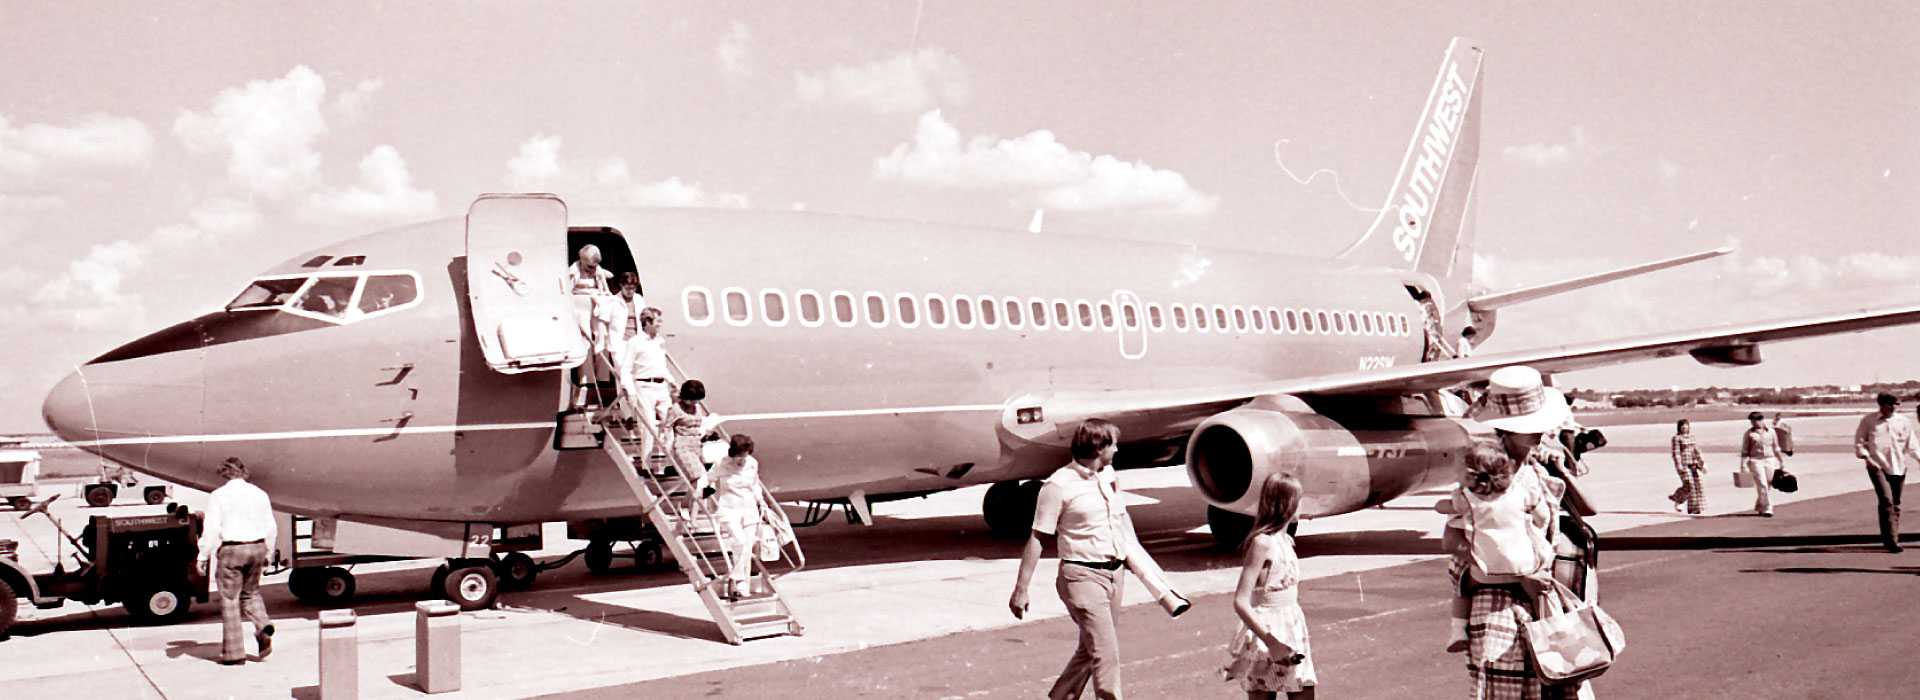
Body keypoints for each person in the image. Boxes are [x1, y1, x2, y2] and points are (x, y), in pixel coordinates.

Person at [1010, 419, 1135, 700]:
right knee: (1106, 653)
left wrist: (1137, 560)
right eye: (1112, 445)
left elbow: (1120, 520)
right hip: (1081, 577)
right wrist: (1021, 588)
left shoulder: (1108, 475)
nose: (1116, 450)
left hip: (1114, 575)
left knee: (1091, 649)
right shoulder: (1058, 486)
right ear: (1097, 447)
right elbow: (1038, 538)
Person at [1441, 443, 1554, 654]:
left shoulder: (1465, 500)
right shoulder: (1521, 492)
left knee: (1461, 587)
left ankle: (1458, 630)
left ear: (1470, 475)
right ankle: (1549, 627)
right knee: (1539, 596)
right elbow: (1543, 517)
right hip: (1525, 567)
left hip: (1486, 571)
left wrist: (1444, 505)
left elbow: (1447, 531)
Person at [1223, 474, 1317, 700]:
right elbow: (1241, 601)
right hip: (1267, 632)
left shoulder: (1287, 541)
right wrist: (1271, 643)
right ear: (1286, 503)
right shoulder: (1262, 543)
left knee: (1305, 691)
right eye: (1298, 499)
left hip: (1292, 627)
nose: (1301, 505)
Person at [195, 457, 276, 665]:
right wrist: (269, 551)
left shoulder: (219, 495)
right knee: (251, 593)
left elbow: (212, 527)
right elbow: (270, 526)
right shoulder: (259, 493)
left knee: (230, 600)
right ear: (243, 472)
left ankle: (234, 654)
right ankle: (262, 625)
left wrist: (203, 555)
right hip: (257, 546)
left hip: (232, 549)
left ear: (224, 474)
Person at [1854, 394, 1920, 552]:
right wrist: (1866, 458)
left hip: (1898, 467)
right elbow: (1859, 442)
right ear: (1881, 405)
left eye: (1896, 405)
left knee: (1895, 504)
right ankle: (1891, 542)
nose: (1894, 408)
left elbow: (1912, 445)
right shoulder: (1869, 421)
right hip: (1877, 466)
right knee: (1886, 501)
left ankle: (1893, 535)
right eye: (1890, 404)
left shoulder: (1903, 422)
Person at [703, 434, 762, 599]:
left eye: (745, 457)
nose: (742, 461)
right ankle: (738, 578)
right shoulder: (722, 464)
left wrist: (761, 500)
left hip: (750, 509)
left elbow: (755, 484)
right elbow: (706, 479)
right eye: (739, 458)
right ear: (732, 455)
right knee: (740, 541)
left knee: (746, 547)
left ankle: (743, 587)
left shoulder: (752, 464)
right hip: (729, 509)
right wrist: (699, 493)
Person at [661, 380, 714, 483]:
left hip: (697, 445)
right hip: (683, 445)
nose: (694, 402)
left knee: (703, 480)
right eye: (691, 399)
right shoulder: (675, 409)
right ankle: (694, 499)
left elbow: (700, 423)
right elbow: (667, 427)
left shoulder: (698, 408)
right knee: (699, 478)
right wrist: (667, 443)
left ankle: (691, 499)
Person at [1740, 412, 1781, 517]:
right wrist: (1743, 465)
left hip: (1769, 459)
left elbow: (1776, 447)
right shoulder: (1749, 434)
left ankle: (1760, 505)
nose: (1754, 423)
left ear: (1762, 420)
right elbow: (1745, 450)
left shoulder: (1771, 432)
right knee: (1762, 484)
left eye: (1757, 420)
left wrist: (1781, 461)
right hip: (1755, 460)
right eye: (1752, 421)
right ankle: (1768, 508)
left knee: (1767, 484)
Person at [1669, 419, 1706, 515]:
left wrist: (1702, 462)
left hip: (1693, 464)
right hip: (1683, 464)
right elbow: (1676, 452)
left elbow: (1696, 450)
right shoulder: (1676, 438)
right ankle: (1677, 499)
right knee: (1689, 484)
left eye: (1686, 426)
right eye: (1682, 426)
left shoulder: (1692, 437)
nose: (1684, 428)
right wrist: (1678, 465)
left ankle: (1694, 508)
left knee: (1697, 485)